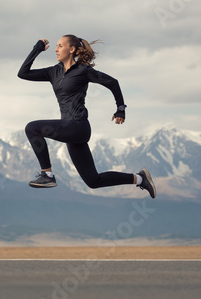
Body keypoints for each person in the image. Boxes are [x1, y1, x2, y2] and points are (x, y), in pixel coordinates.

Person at [17, 35, 155, 198]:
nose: (56, 49)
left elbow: (113, 82)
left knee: (32, 128)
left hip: (78, 126)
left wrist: (121, 109)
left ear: (72, 49)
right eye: (56, 46)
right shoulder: (53, 71)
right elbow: (23, 73)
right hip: (69, 131)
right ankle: (140, 178)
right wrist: (37, 49)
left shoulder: (83, 71)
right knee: (93, 180)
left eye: (60, 46)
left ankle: (47, 175)